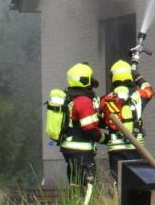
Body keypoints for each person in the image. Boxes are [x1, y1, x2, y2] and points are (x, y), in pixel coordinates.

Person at [100, 59, 154, 183]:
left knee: (118, 183)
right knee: (137, 183)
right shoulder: (138, 95)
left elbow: (100, 119)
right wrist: (138, 76)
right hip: (136, 145)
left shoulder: (106, 99)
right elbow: (149, 90)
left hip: (116, 148)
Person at [61, 62, 105, 204]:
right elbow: (89, 129)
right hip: (82, 151)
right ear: (86, 80)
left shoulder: (68, 98)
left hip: (69, 149)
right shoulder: (83, 101)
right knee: (88, 186)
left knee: (75, 185)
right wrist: (105, 138)